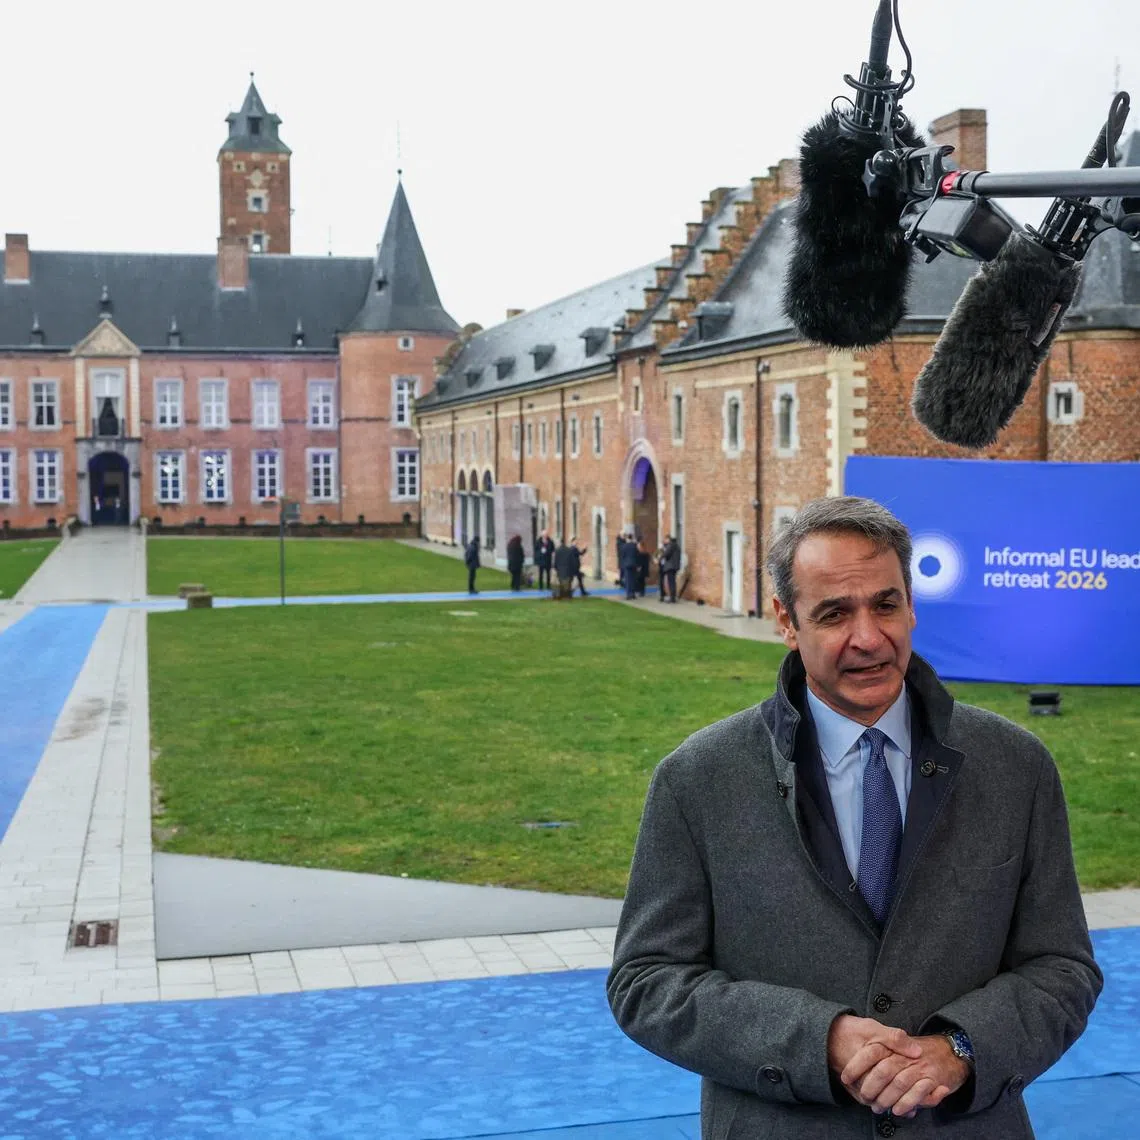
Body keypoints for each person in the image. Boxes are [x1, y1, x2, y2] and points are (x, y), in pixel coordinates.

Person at [608, 496, 1101, 1139]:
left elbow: (1063, 968)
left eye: (886, 604)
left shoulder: (1016, 767)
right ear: (787, 620)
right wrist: (820, 1040)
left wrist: (960, 1051)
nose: (868, 638)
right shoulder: (697, 779)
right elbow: (646, 983)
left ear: (911, 604)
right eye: (835, 613)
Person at [658, 535, 680, 603]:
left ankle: (672, 598)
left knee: (671, 582)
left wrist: (660, 558)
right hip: (674, 566)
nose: (665, 541)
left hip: (671, 566)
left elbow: (666, 553)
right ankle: (672, 597)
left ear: (668, 539)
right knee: (672, 582)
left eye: (665, 539)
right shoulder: (676, 545)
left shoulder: (671, 545)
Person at [619, 533, 639, 600]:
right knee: (633, 579)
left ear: (627, 538)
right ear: (632, 538)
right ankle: (633, 594)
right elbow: (637, 555)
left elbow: (622, 556)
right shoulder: (634, 546)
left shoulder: (624, 546)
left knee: (628, 580)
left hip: (627, 564)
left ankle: (628, 594)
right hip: (634, 564)